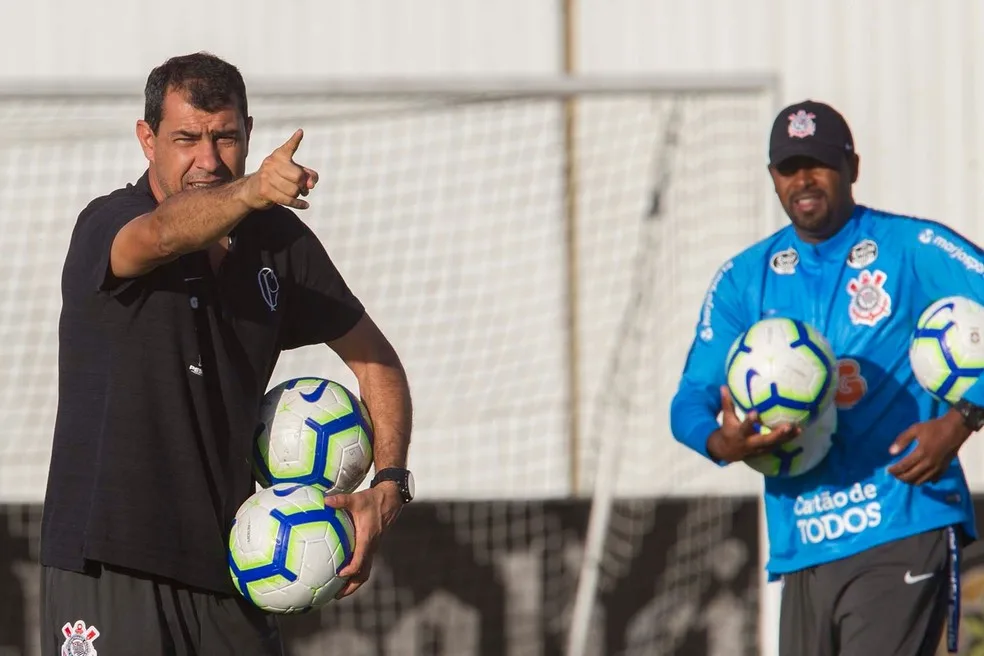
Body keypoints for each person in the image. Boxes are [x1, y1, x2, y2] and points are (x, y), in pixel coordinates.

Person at [38, 52, 415, 655]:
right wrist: (252, 190)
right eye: (186, 138)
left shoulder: (277, 244)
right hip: (109, 561)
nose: (208, 160)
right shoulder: (110, 222)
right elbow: (162, 234)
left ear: (248, 135)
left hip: (236, 568)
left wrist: (390, 482)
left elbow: (377, 362)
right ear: (147, 139)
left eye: (225, 138)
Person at [670, 99, 983, 656]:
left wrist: (962, 420)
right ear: (772, 178)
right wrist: (721, 441)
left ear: (852, 168)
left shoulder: (911, 249)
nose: (804, 180)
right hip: (804, 544)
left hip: (903, 521)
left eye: (818, 163)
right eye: (790, 167)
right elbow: (688, 401)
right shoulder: (745, 279)